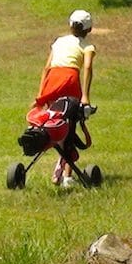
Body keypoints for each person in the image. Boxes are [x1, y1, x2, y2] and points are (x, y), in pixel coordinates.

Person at [33, 10, 97, 187]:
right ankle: (66, 176)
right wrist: (85, 96)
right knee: (70, 128)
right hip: (69, 81)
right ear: (89, 29)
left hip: (51, 82)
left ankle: (59, 165)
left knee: (54, 123)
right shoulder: (87, 47)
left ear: (70, 25)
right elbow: (87, 68)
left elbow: (46, 68)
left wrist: (41, 95)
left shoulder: (58, 42)